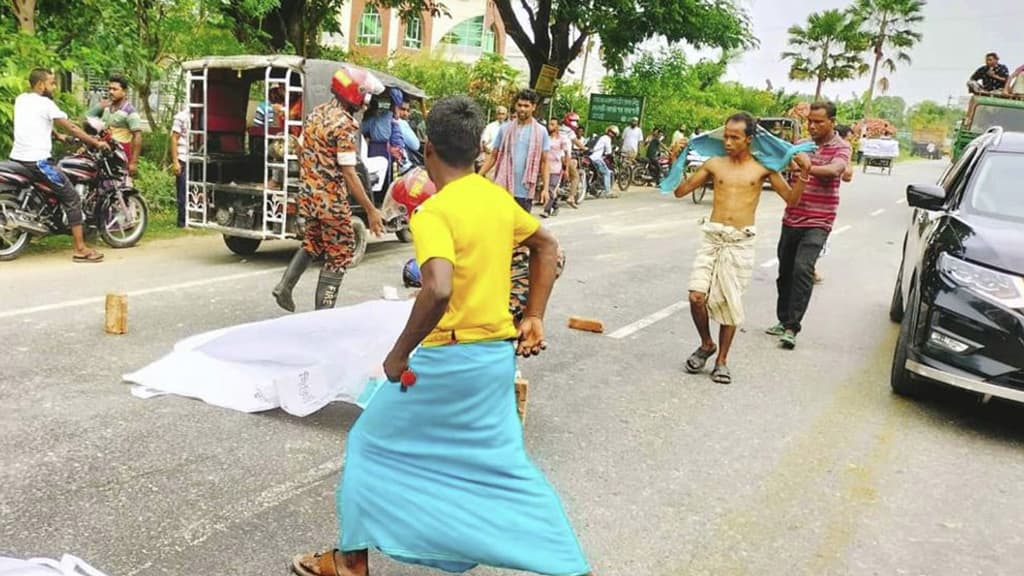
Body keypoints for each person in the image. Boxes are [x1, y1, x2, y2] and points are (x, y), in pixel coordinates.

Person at [290, 95, 591, 576]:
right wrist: (535, 314)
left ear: (427, 149)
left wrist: (398, 354)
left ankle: (349, 561)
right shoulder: (497, 200)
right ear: (479, 152)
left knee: (370, 444)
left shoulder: (433, 212)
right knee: (503, 467)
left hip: (443, 363)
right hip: (492, 363)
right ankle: (569, 564)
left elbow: (437, 288)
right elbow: (547, 246)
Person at [671, 112, 811, 384]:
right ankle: (706, 343)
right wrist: (677, 161)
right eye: (726, 136)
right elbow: (680, 191)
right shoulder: (714, 165)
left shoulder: (763, 168)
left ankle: (722, 361)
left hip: (741, 241)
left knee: (729, 303)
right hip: (713, 237)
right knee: (696, 296)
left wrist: (804, 174)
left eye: (735, 137)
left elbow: (791, 201)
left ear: (749, 139)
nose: (728, 142)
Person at [271, 66, 386, 313]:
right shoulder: (345, 125)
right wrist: (371, 210)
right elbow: (349, 173)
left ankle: (285, 287)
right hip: (330, 200)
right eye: (365, 96)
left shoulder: (316, 113)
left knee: (313, 242)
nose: (367, 103)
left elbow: (301, 149)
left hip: (308, 195)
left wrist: (314, 176)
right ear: (355, 94)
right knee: (340, 254)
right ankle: (324, 317)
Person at [767, 102, 851, 349]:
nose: (813, 126)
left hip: (819, 220)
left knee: (803, 269)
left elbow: (836, 169)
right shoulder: (801, 145)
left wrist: (807, 167)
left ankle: (793, 327)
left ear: (832, 122)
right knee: (785, 271)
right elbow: (784, 167)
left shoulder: (841, 147)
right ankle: (783, 320)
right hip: (792, 216)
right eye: (810, 121)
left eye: (819, 122)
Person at [9, 68, 110, 262]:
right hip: (38, 162)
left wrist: (58, 137)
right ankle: (80, 249)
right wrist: (95, 142)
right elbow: (71, 126)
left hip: (18, 158)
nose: (54, 86)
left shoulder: (22, 99)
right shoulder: (46, 103)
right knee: (72, 198)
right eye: (52, 82)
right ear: (41, 85)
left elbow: (32, 123)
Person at [478, 89, 550, 212]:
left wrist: (545, 189)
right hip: (503, 187)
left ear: (533, 107)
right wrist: (478, 176)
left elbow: (544, 162)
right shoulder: (505, 129)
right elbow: (494, 156)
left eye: (526, 106)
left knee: (521, 230)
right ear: (515, 106)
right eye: (519, 105)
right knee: (500, 228)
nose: (522, 109)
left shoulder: (541, 131)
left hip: (525, 191)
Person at [87, 75, 142, 176]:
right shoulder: (107, 108)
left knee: (119, 184)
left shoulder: (130, 112)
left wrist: (134, 162)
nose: (111, 92)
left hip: (121, 155)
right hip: (104, 154)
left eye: (115, 89)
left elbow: (137, 136)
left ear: (124, 92)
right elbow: (89, 119)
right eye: (109, 89)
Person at [540, 117, 570, 218]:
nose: (550, 126)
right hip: (545, 167)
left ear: (557, 126)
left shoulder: (562, 138)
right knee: (546, 188)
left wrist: (566, 169)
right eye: (549, 124)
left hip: (556, 168)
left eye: (553, 124)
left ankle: (547, 210)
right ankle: (555, 205)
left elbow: (567, 154)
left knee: (551, 188)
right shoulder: (546, 138)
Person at [558, 112, 585, 208]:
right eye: (575, 122)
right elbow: (577, 143)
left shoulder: (558, 128)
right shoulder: (569, 131)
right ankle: (571, 197)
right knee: (575, 177)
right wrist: (585, 148)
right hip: (564, 157)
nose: (576, 124)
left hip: (553, 156)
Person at [169, 108, 190, 228]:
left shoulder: (202, 115)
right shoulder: (181, 117)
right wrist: (175, 161)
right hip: (182, 157)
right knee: (182, 191)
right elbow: (174, 138)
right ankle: (182, 222)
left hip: (195, 157)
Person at [589, 124, 618, 197]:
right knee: (607, 173)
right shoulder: (607, 139)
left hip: (588, 156)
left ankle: (594, 188)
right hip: (596, 158)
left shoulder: (599, 136)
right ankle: (608, 192)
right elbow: (609, 152)